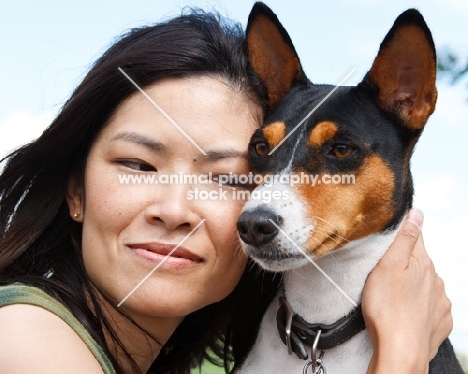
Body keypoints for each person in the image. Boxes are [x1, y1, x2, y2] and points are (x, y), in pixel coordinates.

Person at [0, 9, 457, 374]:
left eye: (223, 177)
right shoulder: (22, 340)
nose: (175, 210)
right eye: (138, 165)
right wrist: (401, 350)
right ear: (74, 190)